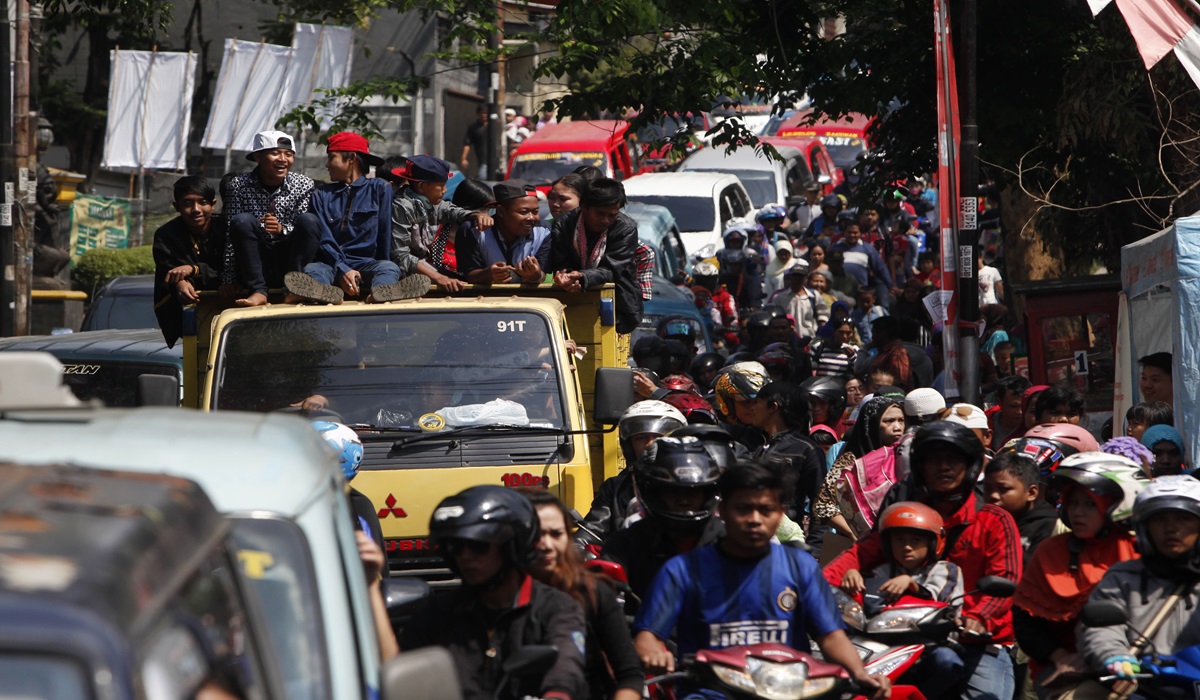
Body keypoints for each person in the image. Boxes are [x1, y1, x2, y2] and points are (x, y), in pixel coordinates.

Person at [632, 462, 891, 699]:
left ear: (780, 513)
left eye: (766, 510)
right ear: (723, 510)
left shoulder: (800, 567)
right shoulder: (682, 570)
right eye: (743, 509)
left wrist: (860, 674)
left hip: (788, 692)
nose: (755, 520)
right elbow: (648, 636)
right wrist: (653, 652)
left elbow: (830, 636)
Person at [825, 421, 1024, 700]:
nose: (943, 467)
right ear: (920, 466)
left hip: (976, 641)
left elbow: (1006, 578)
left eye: (953, 460)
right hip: (902, 636)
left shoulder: (994, 519)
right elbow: (861, 553)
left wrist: (977, 618)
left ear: (970, 465)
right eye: (933, 460)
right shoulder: (907, 516)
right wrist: (815, 587)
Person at [401, 485, 587, 700]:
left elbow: (566, 663)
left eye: (478, 546)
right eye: (457, 547)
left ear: (510, 546)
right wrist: (371, 584)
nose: (465, 556)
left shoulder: (556, 607)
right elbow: (399, 672)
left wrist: (556, 695)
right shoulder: (436, 614)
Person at [1011, 453, 1144, 699]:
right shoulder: (1051, 551)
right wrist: (1061, 657)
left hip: (1136, 665)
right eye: (1073, 502)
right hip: (1062, 668)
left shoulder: (1140, 550)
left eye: (1090, 504)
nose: (1077, 512)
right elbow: (1025, 622)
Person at [834, 501, 964, 700]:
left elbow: (939, 596)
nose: (907, 547)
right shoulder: (884, 570)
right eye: (899, 540)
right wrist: (853, 575)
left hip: (927, 643)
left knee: (947, 661)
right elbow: (868, 596)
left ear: (933, 543)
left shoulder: (946, 569)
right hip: (885, 640)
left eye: (916, 540)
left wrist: (911, 584)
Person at [1077, 475, 1200, 685]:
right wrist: (1114, 655)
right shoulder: (1122, 577)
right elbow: (1103, 629)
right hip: (1140, 684)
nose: (1171, 528)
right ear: (1144, 527)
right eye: (1159, 519)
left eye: (1183, 518)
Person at [523, 490, 643, 700]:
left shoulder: (592, 592)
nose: (547, 545)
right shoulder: (496, 597)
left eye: (556, 534)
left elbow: (630, 675)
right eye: (537, 535)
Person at [285, 132, 412, 305]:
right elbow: (324, 239)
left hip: (366, 264)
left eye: (331, 158)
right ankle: (323, 292)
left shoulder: (380, 188)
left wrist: (385, 266)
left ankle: (381, 291)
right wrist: (342, 269)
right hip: (330, 264)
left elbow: (385, 235)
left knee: (388, 268)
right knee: (313, 269)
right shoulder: (321, 194)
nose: (327, 165)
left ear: (351, 158)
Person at [600, 436, 724, 602]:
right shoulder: (625, 544)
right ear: (653, 493)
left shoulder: (730, 540)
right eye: (673, 491)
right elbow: (604, 604)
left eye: (694, 492)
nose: (684, 500)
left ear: (707, 493)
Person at [221, 130, 318, 307]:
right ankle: (258, 291)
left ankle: (296, 287)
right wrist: (228, 278)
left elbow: (304, 231)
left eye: (288, 154)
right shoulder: (238, 185)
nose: (283, 159)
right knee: (242, 221)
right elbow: (230, 235)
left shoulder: (304, 184)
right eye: (275, 153)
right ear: (258, 157)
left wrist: (282, 230)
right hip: (255, 259)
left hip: (289, 258)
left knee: (310, 220)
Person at [578, 400, 686, 544]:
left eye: (659, 437)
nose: (650, 444)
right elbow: (593, 530)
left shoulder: (695, 481)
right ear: (629, 446)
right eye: (640, 438)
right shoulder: (615, 487)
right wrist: (577, 547)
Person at [548, 178, 643, 334]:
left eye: (612, 215)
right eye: (600, 213)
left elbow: (612, 270)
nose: (605, 220)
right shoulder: (563, 224)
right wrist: (567, 278)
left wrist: (581, 276)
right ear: (584, 207)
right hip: (570, 306)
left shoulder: (626, 229)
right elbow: (561, 264)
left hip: (618, 310)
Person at [391, 155, 493, 293]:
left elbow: (452, 211)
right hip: (401, 270)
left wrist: (475, 215)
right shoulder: (402, 206)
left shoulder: (431, 203)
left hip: (422, 268)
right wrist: (438, 277)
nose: (445, 190)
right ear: (421, 186)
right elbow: (400, 255)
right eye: (441, 185)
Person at [814, 396, 906, 548]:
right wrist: (854, 534)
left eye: (901, 420)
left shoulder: (904, 456)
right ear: (872, 424)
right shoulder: (851, 460)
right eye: (888, 421)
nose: (897, 427)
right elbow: (823, 505)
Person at [742, 382, 828, 543]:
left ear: (773, 407)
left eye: (757, 402)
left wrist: (814, 549)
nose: (752, 409)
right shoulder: (756, 445)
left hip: (785, 543)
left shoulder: (806, 449)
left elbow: (821, 504)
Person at [153, 175, 229, 347]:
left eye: (202, 202)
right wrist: (179, 283)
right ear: (176, 206)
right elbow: (168, 271)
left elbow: (231, 270)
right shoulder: (166, 235)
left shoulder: (227, 229)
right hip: (192, 320)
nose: (196, 209)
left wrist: (194, 270)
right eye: (187, 203)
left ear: (213, 204)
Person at [462, 180, 551, 284]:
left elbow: (542, 275)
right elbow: (469, 275)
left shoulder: (543, 231)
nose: (531, 218)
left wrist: (535, 276)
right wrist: (488, 274)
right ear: (501, 211)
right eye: (524, 212)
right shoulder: (474, 230)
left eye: (535, 212)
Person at [982, 449, 1059, 565]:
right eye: (987, 489)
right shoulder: (979, 521)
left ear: (1031, 493)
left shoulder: (1049, 528)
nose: (993, 496)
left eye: (1004, 489)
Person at [831, 221, 894, 306]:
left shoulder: (867, 248)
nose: (852, 235)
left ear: (860, 233)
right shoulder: (835, 247)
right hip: (840, 289)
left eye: (855, 233)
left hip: (861, 291)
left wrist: (891, 286)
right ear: (844, 233)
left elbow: (880, 268)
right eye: (849, 232)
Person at [770, 264, 827, 339]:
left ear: (805, 279)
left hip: (810, 338)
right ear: (790, 278)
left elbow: (823, 315)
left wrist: (821, 333)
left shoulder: (814, 296)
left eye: (800, 277)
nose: (796, 279)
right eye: (794, 276)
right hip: (788, 339)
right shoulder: (779, 298)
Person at [991, 376, 1033, 450]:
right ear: (999, 402)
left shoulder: (1034, 427)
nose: (1020, 412)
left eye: (1023, 406)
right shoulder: (984, 423)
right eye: (1014, 406)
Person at [460, 103, 490, 178]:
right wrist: (464, 159)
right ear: (478, 114)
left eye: (486, 113)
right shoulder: (474, 127)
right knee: (483, 178)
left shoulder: (495, 125)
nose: (484, 115)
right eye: (481, 113)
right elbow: (467, 144)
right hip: (483, 160)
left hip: (498, 161)